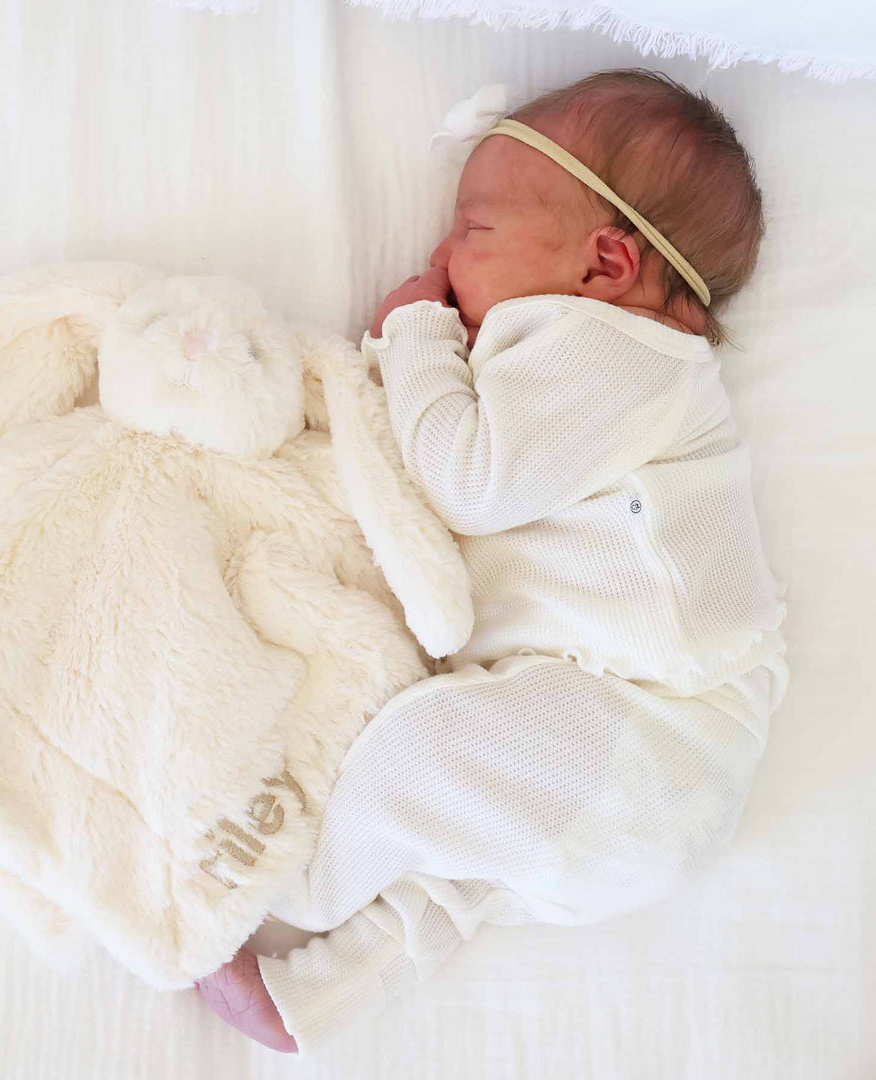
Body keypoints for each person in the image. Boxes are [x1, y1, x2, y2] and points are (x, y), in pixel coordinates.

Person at [194, 68, 788, 1055]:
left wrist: (418, 333)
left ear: (607, 261)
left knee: (425, 759)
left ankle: (240, 882)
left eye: (474, 232)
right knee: (457, 854)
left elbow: (469, 481)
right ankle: (306, 1005)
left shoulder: (618, 352)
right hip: (618, 755)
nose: (439, 255)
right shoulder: (590, 365)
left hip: (655, 731)